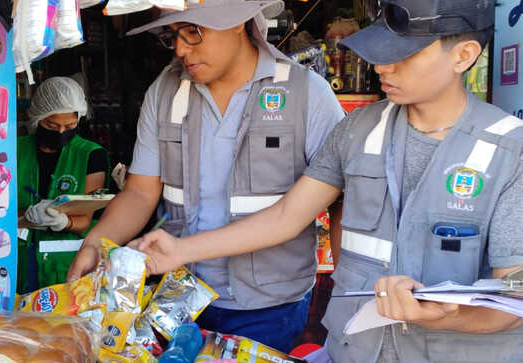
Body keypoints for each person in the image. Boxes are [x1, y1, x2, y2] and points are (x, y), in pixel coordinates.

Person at [132, 1, 523, 362]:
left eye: (400, 55)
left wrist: (446, 317)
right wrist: (181, 251)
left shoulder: (510, 151)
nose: (381, 67)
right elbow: (287, 216)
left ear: (464, 56)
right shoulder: (356, 131)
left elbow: (515, 297)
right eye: (379, 53)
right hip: (355, 351)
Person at [67, 0, 344, 352]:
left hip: (270, 305)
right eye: (173, 36)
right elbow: (140, 192)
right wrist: (96, 241)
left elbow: (336, 203)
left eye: (193, 32)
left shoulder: (306, 94)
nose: (181, 49)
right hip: (180, 299)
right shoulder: (166, 92)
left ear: (237, 23)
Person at [17, 77, 109, 293]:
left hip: (67, 267)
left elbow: (86, 218)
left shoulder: (90, 154)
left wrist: (63, 221)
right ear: (37, 117)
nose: (60, 132)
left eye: (69, 126)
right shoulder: (14, 150)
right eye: (51, 125)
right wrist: (26, 216)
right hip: (19, 263)